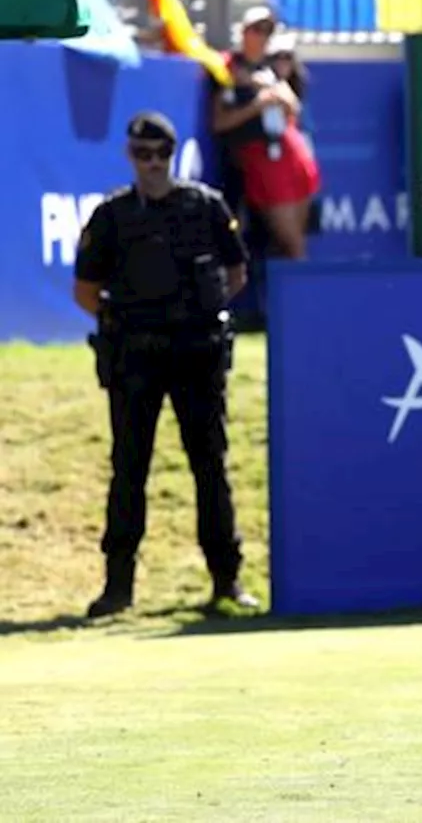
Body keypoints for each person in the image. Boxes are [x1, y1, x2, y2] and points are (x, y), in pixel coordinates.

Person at [73, 111, 260, 618]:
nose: (152, 164)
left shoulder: (204, 206)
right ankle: (118, 587)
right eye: (142, 155)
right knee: (129, 467)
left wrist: (195, 312)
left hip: (197, 353)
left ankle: (227, 580)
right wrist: (132, 317)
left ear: (172, 154)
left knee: (210, 467)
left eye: (160, 154)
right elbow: (86, 291)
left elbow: (236, 271)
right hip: (136, 356)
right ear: (130, 156)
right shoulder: (112, 217)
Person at [212, 5, 321, 261]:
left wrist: (273, 90)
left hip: (288, 152)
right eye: (255, 29)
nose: (261, 36)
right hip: (257, 161)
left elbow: (292, 107)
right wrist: (258, 103)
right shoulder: (228, 67)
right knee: (291, 244)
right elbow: (219, 122)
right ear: (243, 31)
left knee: (291, 241)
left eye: (267, 31)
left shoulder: (270, 67)